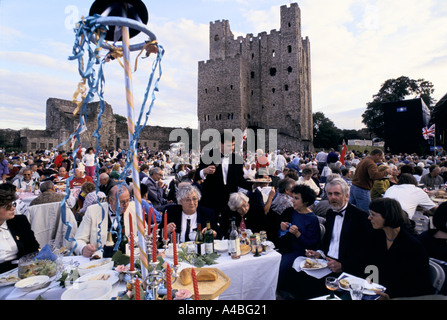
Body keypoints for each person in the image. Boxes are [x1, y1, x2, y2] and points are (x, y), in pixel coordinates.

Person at [278, 178, 373, 299]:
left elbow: (365, 251)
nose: (332, 197)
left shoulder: (360, 217)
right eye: (330, 194)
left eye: (337, 193)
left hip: (345, 267)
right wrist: (319, 252)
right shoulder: (331, 213)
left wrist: (343, 265)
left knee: (309, 285)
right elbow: (328, 240)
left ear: (346, 195)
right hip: (326, 262)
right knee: (295, 276)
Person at [367, 197, 434, 299]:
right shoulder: (376, 236)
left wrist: (389, 296)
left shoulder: (412, 247)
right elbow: (368, 264)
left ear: (387, 216)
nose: (369, 217)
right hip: (376, 291)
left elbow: (417, 285)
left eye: (373, 214)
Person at [195, 133, 252, 223]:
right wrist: (205, 171)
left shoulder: (237, 159)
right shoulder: (208, 155)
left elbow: (240, 180)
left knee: (229, 228)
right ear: (220, 144)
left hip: (230, 202)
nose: (232, 148)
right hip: (212, 199)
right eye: (228, 145)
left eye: (233, 145)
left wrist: (254, 185)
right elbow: (196, 176)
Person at [277, 184, 320, 290]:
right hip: (285, 248)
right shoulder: (289, 211)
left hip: (300, 251)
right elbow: (278, 235)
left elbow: (312, 243)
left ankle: (277, 291)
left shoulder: (312, 219)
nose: (292, 201)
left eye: (296, 198)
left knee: (281, 266)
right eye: (293, 197)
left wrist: (298, 234)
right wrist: (282, 229)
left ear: (305, 201)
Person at [74, 184, 133, 257]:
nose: (126, 205)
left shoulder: (134, 209)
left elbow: (144, 235)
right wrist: (83, 248)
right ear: (110, 200)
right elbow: (78, 240)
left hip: (129, 258)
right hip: (102, 261)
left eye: (128, 200)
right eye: (122, 202)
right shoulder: (93, 211)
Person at [0, 188, 40, 273]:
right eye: (8, 206)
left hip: (21, 271)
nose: (13, 208)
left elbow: (33, 249)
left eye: (13, 204)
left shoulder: (19, 222)